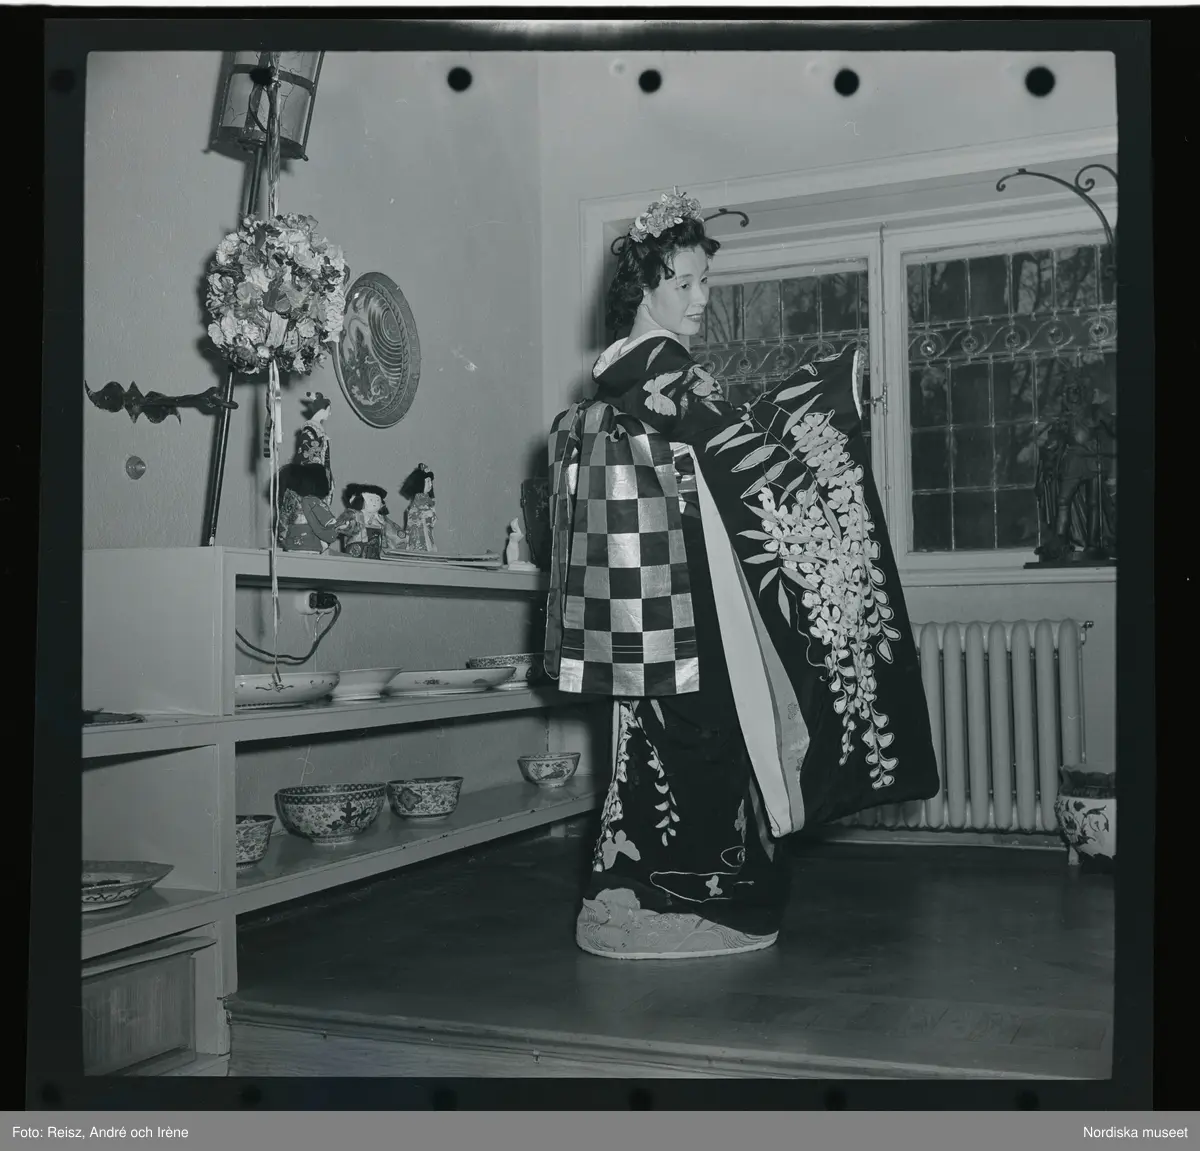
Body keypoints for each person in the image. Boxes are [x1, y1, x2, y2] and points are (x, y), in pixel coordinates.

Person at [544, 188, 940, 960]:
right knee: (702, 737)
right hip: (685, 592)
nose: (701, 298)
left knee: (660, 742)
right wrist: (827, 400)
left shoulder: (624, 371)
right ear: (646, 289)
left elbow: (724, 438)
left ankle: (644, 888)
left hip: (654, 594)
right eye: (685, 283)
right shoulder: (660, 368)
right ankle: (689, 896)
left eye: (705, 281)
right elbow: (741, 440)